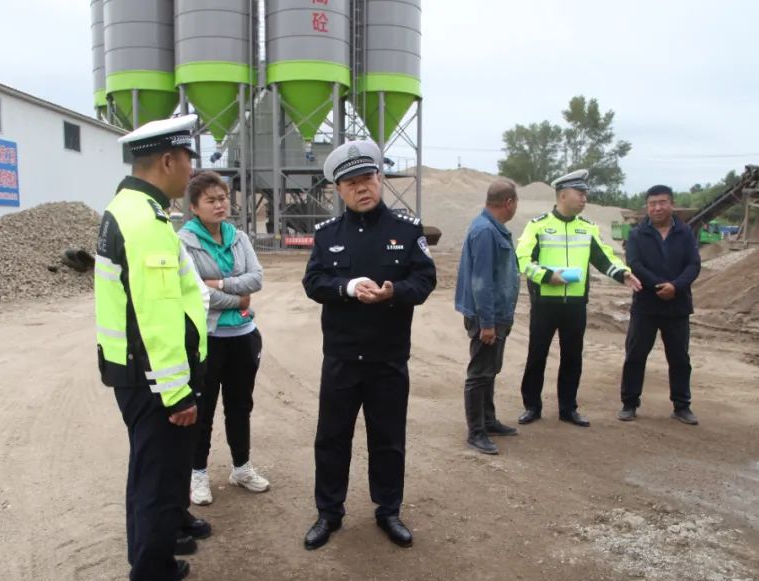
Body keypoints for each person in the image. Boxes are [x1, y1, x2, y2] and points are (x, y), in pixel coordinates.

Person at [94, 115, 212, 581]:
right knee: (159, 488)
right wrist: (177, 393)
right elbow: (156, 316)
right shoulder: (144, 223)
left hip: (135, 375)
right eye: (187, 160)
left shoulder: (131, 209)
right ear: (167, 160)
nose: (191, 171)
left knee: (148, 476)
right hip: (153, 381)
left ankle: (154, 561)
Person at [301, 140, 437, 550]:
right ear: (339, 190)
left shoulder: (407, 231)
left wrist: (395, 291)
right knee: (332, 439)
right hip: (342, 358)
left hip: (387, 358)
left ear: (380, 179)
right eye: (352, 183)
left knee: (388, 439)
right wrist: (346, 287)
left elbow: (425, 279)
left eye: (368, 178)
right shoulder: (328, 235)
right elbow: (313, 282)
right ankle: (329, 513)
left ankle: (388, 510)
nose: (362, 188)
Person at [516, 169, 642, 427]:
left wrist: (623, 274)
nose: (585, 198)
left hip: (575, 305)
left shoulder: (587, 228)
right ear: (563, 195)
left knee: (572, 358)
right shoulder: (538, 225)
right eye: (580, 193)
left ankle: (568, 408)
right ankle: (532, 406)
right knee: (537, 356)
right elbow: (523, 259)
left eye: (585, 194)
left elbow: (604, 258)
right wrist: (547, 276)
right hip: (544, 304)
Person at [179, 171, 270, 505]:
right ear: (194, 207)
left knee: (240, 407)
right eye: (210, 200)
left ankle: (241, 468)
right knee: (202, 409)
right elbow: (195, 292)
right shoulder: (183, 242)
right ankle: (198, 474)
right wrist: (239, 299)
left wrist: (218, 284)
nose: (219, 205)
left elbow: (256, 278)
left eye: (223, 199)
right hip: (208, 338)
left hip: (243, 336)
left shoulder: (238, 237)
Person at [618, 185, 701, 424]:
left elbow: (693, 265)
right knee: (635, 355)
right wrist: (659, 286)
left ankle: (682, 406)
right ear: (647, 207)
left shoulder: (685, 232)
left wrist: (675, 286)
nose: (657, 208)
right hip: (646, 305)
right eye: (652, 204)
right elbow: (635, 264)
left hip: (677, 305)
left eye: (662, 202)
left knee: (680, 359)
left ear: (671, 204)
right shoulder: (637, 234)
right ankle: (629, 403)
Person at [454, 179, 521, 454]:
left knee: (489, 371)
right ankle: (476, 432)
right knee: (479, 374)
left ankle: (489, 421)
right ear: (509, 203)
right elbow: (481, 282)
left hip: (496, 314)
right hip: (487, 317)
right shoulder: (485, 231)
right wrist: (488, 323)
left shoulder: (492, 228)